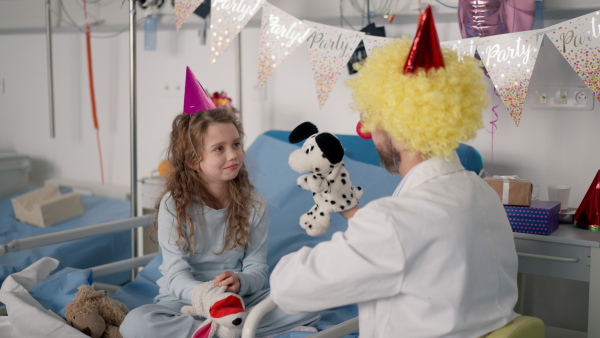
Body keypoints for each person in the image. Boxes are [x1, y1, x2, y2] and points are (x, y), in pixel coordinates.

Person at [269, 6, 519, 338]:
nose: (368, 130)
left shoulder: (393, 222)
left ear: (396, 125)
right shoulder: (482, 193)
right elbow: (414, 246)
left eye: (372, 118)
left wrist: (282, 266)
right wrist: (350, 210)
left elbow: (290, 289)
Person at [120, 68, 319, 338]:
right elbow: (176, 275)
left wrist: (240, 282)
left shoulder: (253, 203)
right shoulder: (174, 205)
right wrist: (209, 298)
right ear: (193, 160)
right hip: (187, 300)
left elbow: (257, 269)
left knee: (312, 298)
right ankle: (234, 327)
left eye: (236, 144)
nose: (233, 154)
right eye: (219, 148)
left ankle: (228, 326)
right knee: (135, 324)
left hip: (240, 299)